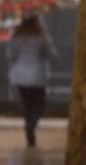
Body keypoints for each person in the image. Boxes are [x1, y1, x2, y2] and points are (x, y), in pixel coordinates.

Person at [7, 14, 54, 148]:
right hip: (36, 76)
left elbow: (10, 55)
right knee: (39, 104)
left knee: (27, 104)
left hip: (20, 76)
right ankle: (31, 125)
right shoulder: (40, 37)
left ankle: (29, 126)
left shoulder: (16, 37)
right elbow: (49, 54)